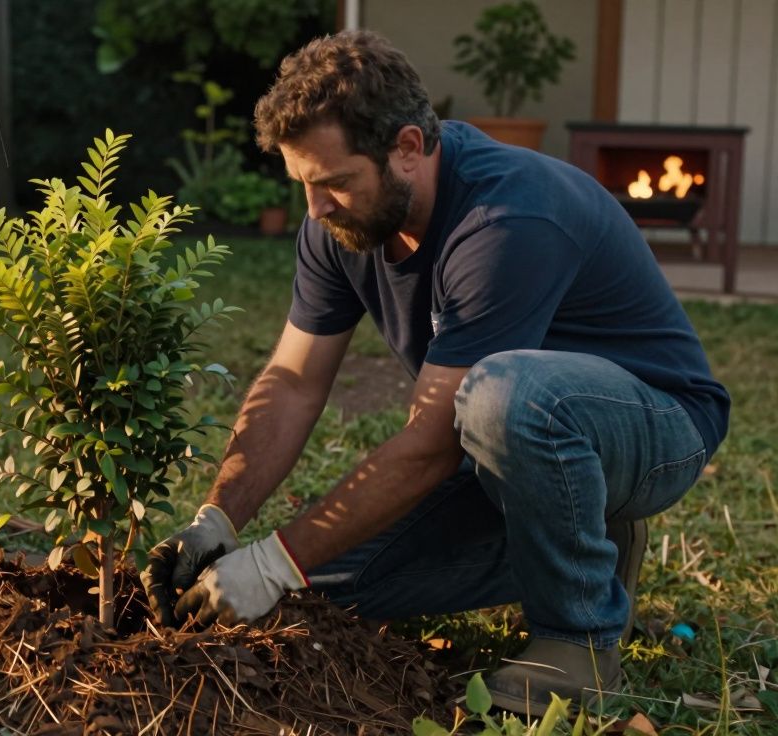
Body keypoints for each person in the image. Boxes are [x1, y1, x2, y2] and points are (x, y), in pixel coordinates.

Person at [141, 30, 729, 714]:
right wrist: (220, 517)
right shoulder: (339, 225)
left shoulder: (507, 217)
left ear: (409, 148)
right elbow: (294, 381)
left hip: (653, 422)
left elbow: (430, 442)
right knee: (323, 589)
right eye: (303, 183)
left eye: (334, 183)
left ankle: (578, 638)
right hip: (507, 442)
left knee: (505, 395)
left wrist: (274, 559)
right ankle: (585, 533)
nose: (316, 208)